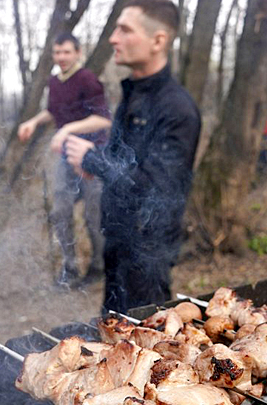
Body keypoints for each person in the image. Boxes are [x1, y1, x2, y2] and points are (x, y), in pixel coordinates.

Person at [63, 0, 201, 313]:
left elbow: (155, 188)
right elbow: (125, 163)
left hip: (147, 256)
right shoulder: (132, 95)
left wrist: (93, 160)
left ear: (158, 41)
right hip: (117, 246)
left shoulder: (177, 108)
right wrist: (96, 165)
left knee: (146, 347)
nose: (113, 38)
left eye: (125, 30)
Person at [17, 32, 112, 288]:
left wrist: (67, 129)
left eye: (67, 52)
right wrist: (33, 121)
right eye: (57, 53)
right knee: (60, 211)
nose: (61, 57)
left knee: (94, 217)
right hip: (65, 158)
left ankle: (98, 268)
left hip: (93, 156)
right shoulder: (55, 81)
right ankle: (69, 269)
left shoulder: (88, 79)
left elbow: (103, 119)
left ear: (78, 53)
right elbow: (52, 111)